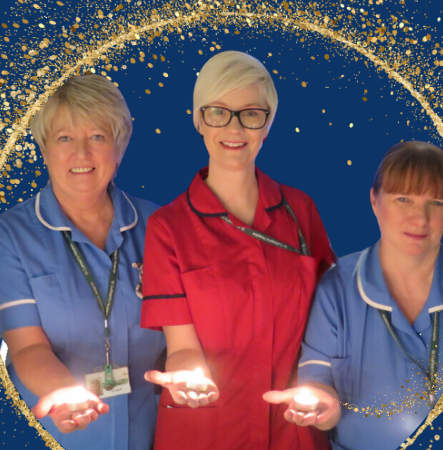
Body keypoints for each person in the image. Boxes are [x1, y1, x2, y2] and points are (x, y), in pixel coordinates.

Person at [138, 50, 336, 450]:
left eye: (250, 113)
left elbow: (332, 325)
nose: (234, 126)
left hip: (292, 428)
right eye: (218, 112)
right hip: (206, 430)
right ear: (198, 119)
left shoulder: (301, 213)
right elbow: (182, 348)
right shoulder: (168, 228)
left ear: (268, 124)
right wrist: (188, 379)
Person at [0, 74, 165, 450]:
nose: (81, 154)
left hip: (153, 434)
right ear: (44, 148)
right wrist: (63, 391)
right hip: (61, 434)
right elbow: (26, 347)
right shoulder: (9, 235)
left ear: (119, 146)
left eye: (97, 137)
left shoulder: (161, 227)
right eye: (64, 138)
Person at [262, 141, 443, 450]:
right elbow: (317, 383)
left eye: (436, 203)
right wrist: (321, 405)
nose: (420, 218)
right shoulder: (336, 288)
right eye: (403, 199)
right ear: (375, 201)